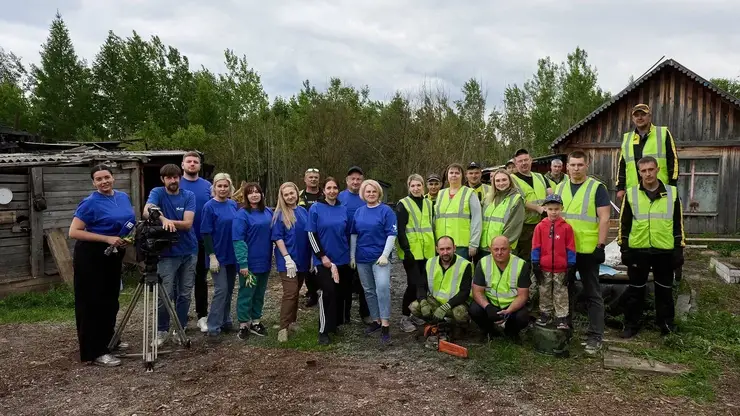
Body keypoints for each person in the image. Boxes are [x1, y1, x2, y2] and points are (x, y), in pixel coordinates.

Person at [69, 165, 135, 367]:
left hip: (114, 254)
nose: (104, 181)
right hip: (91, 255)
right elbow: (74, 231)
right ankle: (94, 351)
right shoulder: (89, 203)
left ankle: (109, 340)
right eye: (99, 179)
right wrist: (107, 238)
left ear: (113, 178)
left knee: (110, 299)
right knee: (92, 302)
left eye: (106, 177)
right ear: (94, 183)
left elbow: (127, 223)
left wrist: (126, 239)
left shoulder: (123, 197)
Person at [618, 156, 685, 338]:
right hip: (638, 250)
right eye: (643, 170)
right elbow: (624, 224)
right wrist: (624, 248)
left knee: (664, 290)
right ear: (639, 172)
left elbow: (678, 224)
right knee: (636, 290)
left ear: (657, 169)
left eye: (650, 169)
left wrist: (679, 249)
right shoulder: (631, 194)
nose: (647, 173)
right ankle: (632, 325)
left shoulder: (671, 193)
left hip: (664, 250)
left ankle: (666, 325)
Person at [554, 150, 611, 355]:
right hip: (564, 250)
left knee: (592, 293)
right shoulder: (560, 187)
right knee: (564, 291)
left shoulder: (597, 188)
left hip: (588, 250)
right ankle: (565, 330)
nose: (576, 168)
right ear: (566, 166)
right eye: (573, 165)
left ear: (587, 166)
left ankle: (595, 335)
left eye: (580, 164)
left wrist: (601, 246)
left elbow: (604, 218)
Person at [144, 164, 197, 347]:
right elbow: (146, 211)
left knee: (185, 293)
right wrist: (163, 219)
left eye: (175, 177)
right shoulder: (157, 192)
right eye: (169, 178)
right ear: (163, 179)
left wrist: (162, 220)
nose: (173, 181)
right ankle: (162, 330)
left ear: (179, 178)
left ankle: (179, 328)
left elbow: (187, 223)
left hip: (188, 251)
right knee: (165, 294)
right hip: (166, 254)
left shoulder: (188, 196)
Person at [350, 179, 398, 345]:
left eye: (374, 191)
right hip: (362, 257)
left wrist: (385, 254)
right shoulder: (359, 212)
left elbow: (392, 234)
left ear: (379, 193)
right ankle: (376, 320)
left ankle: (385, 323)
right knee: (368, 290)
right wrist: (352, 256)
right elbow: (354, 235)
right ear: (363, 194)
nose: (371, 194)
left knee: (382, 287)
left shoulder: (386, 211)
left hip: (380, 259)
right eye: (368, 191)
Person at [307, 177, 353, 345]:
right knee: (328, 292)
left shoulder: (343, 209)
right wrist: (321, 256)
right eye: (329, 188)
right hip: (324, 261)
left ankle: (334, 325)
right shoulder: (316, 208)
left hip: (342, 259)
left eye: (335, 188)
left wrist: (350, 256)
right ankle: (323, 330)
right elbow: (311, 234)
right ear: (323, 190)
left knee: (340, 294)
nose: (332, 191)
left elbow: (348, 234)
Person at [232, 182, 274, 340]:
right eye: (251, 192)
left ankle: (256, 321)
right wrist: (243, 262)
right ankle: (244, 324)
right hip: (249, 263)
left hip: (265, 260)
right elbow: (238, 239)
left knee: (260, 293)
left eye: (257, 192)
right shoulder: (242, 214)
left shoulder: (268, 212)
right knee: (246, 293)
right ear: (246, 196)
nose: (255, 195)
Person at [469, 236, 531, 341]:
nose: (499, 252)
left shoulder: (521, 264)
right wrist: (487, 307)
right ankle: (489, 330)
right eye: (496, 249)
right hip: (490, 303)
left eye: (503, 249)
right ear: (490, 250)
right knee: (474, 309)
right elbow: (477, 291)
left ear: (510, 249)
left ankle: (510, 332)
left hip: (511, 305)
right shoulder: (483, 263)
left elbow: (523, 295)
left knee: (523, 316)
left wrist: (509, 310)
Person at [272, 182, 312, 343]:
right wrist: (287, 258)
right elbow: (277, 238)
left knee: (296, 291)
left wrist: (310, 259)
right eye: (286, 194)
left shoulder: (303, 212)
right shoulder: (280, 214)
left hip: (302, 260)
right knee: (290, 292)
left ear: (297, 193)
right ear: (282, 197)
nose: (289, 196)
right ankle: (283, 327)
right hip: (287, 261)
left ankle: (292, 322)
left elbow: (309, 236)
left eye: (291, 193)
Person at [395, 174, 436, 333]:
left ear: (423, 186)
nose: (416, 188)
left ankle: (415, 314)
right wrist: (406, 250)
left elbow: (430, 227)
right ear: (409, 187)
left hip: (427, 251)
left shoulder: (428, 203)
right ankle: (404, 317)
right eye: (413, 186)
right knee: (413, 284)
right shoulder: (403, 204)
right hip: (411, 252)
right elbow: (400, 229)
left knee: (424, 284)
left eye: (419, 185)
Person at [200, 173, 239, 339]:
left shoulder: (233, 205)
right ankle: (213, 326)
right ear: (214, 187)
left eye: (225, 186)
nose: (223, 189)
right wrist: (211, 255)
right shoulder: (209, 206)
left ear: (230, 188)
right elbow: (206, 233)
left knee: (229, 290)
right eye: (219, 186)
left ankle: (226, 320)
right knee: (221, 290)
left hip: (232, 254)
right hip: (217, 256)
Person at [179, 151, 213, 333]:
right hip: (181, 241)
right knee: (181, 282)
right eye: (189, 161)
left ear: (199, 166)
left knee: (201, 279)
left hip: (202, 240)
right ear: (183, 165)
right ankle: (180, 319)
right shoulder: (176, 184)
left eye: (195, 162)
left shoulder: (208, 186)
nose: (192, 164)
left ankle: (202, 316)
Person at [616, 103, 679, 201]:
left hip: (660, 189)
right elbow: (622, 164)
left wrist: (672, 185)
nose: (640, 118)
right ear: (633, 118)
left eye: (643, 114)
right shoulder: (627, 138)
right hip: (634, 190)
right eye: (636, 115)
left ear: (649, 116)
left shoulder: (662, 133)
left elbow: (673, 160)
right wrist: (620, 188)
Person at [531, 194, 576, 330]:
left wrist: (571, 264)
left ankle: (561, 317)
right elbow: (535, 245)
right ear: (545, 209)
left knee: (561, 292)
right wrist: (535, 262)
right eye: (550, 209)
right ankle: (545, 314)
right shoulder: (540, 227)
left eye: (556, 209)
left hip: (561, 268)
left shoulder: (566, 228)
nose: (553, 212)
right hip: (544, 267)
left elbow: (570, 247)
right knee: (544, 290)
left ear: (561, 208)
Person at [409, 236, 472, 326]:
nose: (445, 252)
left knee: (460, 314)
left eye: (448, 249)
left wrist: (446, 306)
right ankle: (436, 323)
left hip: (454, 304)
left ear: (454, 248)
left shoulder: (465, 265)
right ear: (437, 249)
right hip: (434, 301)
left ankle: (457, 327)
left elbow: (464, 292)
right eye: (442, 249)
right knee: (415, 307)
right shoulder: (430, 262)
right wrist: (423, 302)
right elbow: (421, 285)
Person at [339, 166, 371, 324]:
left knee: (364, 283)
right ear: (347, 181)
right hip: (344, 246)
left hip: (363, 246)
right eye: (353, 179)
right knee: (345, 283)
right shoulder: (339, 197)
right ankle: (345, 315)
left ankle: (366, 314)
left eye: (359, 179)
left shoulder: (366, 196)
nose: (355, 181)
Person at [510, 149, 552, 262]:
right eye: (520, 161)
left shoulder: (540, 177)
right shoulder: (512, 179)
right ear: (515, 163)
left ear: (531, 160)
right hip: (525, 225)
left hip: (543, 222)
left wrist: (551, 204)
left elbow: (550, 192)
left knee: (544, 253)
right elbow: (519, 200)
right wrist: (538, 208)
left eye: (526, 160)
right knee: (526, 256)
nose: (524, 163)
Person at [434, 163, 482, 260]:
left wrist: (474, 243)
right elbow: (435, 219)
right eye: (451, 173)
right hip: (442, 245)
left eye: (457, 173)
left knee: (460, 273)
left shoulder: (469, 193)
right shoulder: (441, 194)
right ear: (447, 176)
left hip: (461, 245)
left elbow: (477, 219)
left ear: (462, 176)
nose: (454, 175)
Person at [480, 169, 524, 256]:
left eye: (504, 180)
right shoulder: (487, 198)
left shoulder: (516, 199)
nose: (501, 183)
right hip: (485, 247)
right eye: (497, 181)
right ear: (493, 183)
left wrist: (500, 245)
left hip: (503, 249)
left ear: (510, 181)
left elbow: (514, 226)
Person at [298, 168, 322, 308]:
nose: (313, 179)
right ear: (305, 179)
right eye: (310, 177)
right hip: (304, 235)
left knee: (321, 262)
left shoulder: (325, 194)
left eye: (315, 177)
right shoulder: (299, 196)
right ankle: (312, 293)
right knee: (307, 266)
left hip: (322, 234)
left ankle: (323, 289)